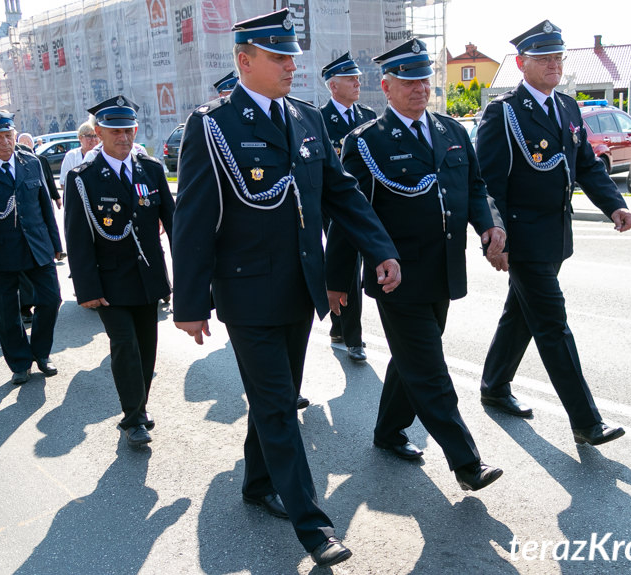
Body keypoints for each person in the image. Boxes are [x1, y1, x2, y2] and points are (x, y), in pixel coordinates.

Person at [172, 8, 400, 568]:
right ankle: (313, 526)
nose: (290, 67)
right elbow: (194, 219)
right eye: (278, 57)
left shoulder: (305, 118)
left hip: (301, 288)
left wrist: (381, 248)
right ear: (244, 61)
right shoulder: (213, 125)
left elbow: (340, 192)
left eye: (292, 57)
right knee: (278, 407)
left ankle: (256, 482)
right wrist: (191, 302)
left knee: (273, 399)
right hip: (247, 294)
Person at [325, 38, 506, 493]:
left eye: (425, 79)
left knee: (412, 360)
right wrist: (335, 281)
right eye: (408, 81)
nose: (420, 88)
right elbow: (352, 215)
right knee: (430, 368)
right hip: (396, 277)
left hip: (443, 270)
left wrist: (488, 226)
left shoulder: (451, 131)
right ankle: (466, 462)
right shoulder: (367, 142)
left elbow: (474, 184)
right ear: (386, 87)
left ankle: (388, 431)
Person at [475, 20, 631, 445]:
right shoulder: (503, 111)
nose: (553, 65)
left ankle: (493, 385)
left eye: (558, 57)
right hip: (523, 239)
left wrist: (613, 204)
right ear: (522, 64)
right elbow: (488, 181)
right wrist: (495, 236)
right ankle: (585, 421)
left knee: (520, 314)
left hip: (556, 236)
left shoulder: (567, 106)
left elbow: (585, 165)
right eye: (544, 58)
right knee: (552, 324)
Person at [64, 95, 174, 448]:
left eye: (128, 130)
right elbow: (78, 239)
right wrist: (87, 289)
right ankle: (133, 418)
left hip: (148, 278)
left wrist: (187, 273)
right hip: (109, 282)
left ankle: (139, 404)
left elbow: (175, 225)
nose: (123, 137)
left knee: (147, 349)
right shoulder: (83, 178)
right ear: (98, 133)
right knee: (124, 345)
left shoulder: (152, 170)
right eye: (115, 131)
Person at [0, 110, 64, 385]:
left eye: (8, 135)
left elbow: (45, 207)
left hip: (36, 246)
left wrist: (56, 244)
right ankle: (19, 362)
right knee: (6, 312)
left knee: (51, 299)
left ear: (15, 134)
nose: (5, 142)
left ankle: (41, 353)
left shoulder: (31, 162)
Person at [319, 51, 376, 363]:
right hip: (331, 205)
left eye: (357, 78)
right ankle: (354, 337)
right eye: (350, 78)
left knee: (351, 263)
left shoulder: (368, 117)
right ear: (332, 86)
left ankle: (340, 326)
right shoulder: (320, 119)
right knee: (348, 264)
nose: (357, 82)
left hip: (363, 201)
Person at [18, 132, 62, 209]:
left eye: (28, 142)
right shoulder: (17, 161)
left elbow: (50, 180)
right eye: (22, 142)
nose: (25, 144)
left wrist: (57, 198)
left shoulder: (41, 160)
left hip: (44, 198)